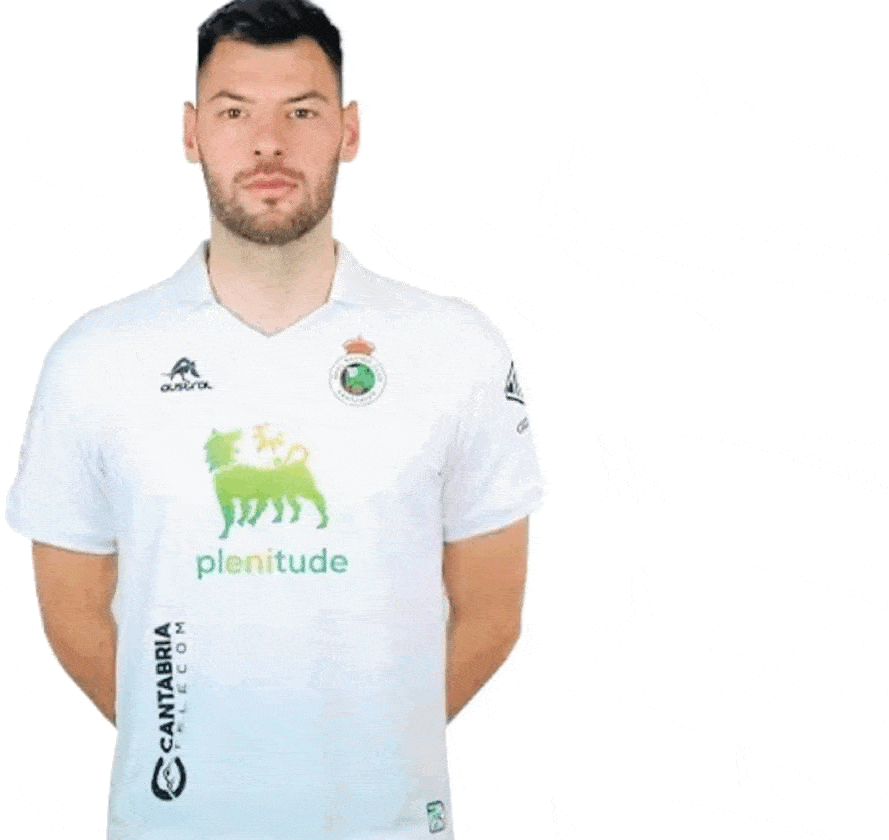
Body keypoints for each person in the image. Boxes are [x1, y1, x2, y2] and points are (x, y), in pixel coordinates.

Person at [5, 1, 545, 837]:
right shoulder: (94, 362)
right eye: (234, 113)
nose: (268, 144)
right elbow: (74, 611)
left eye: (301, 112)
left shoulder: (455, 349)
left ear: (349, 131)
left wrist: (365, 758)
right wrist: (209, 757)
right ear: (191, 133)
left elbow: (491, 612)